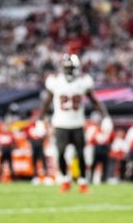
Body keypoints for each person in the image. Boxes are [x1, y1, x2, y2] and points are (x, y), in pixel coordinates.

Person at [39, 54, 108, 193]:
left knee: (80, 153)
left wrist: (105, 116)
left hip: (77, 123)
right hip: (61, 123)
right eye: (67, 68)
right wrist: (40, 119)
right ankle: (65, 179)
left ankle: (82, 181)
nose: (69, 71)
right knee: (61, 152)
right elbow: (46, 102)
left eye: (71, 68)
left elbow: (95, 101)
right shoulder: (56, 82)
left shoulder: (83, 82)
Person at [26, 115, 49, 184]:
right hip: (34, 144)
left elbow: (44, 134)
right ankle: (35, 177)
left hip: (40, 143)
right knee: (34, 161)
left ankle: (46, 177)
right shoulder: (30, 126)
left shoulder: (40, 125)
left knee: (43, 160)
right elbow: (28, 135)